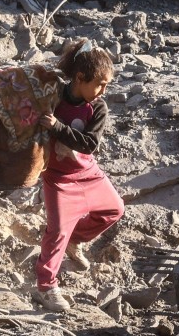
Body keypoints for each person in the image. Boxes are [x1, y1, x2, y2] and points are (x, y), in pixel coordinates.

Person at [34, 39, 124, 313]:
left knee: (114, 209)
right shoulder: (54, 97)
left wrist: (57, 128)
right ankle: (46, 287)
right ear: (80, 77)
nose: (103, 90)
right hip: (58, 178)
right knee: (56, 231)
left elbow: (89, 144)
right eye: (100, 84)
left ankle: (75, 241)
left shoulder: (98, 107)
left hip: (88, 172)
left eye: (107, 85)